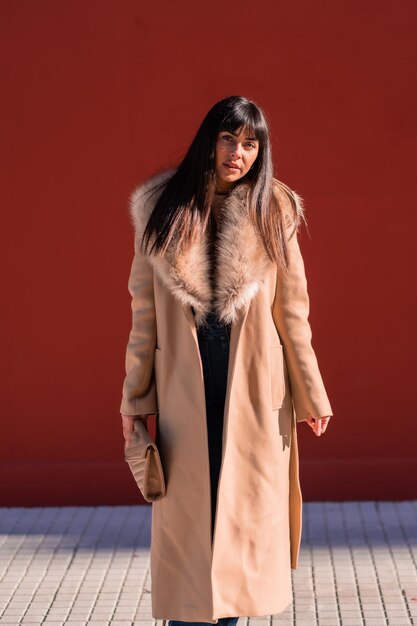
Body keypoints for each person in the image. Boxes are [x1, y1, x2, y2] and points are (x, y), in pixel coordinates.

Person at [120, 95, 333, 625]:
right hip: (184, 391)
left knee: (239, 530)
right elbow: (143, 318)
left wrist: (312, 393)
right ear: (208, 141)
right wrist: (133, 399)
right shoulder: (163, 209)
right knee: (193, 526)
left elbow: (293, 314)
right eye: (228, 139)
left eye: (250, 144)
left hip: (255, 393)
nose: (238, 153)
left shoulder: (274, 211)